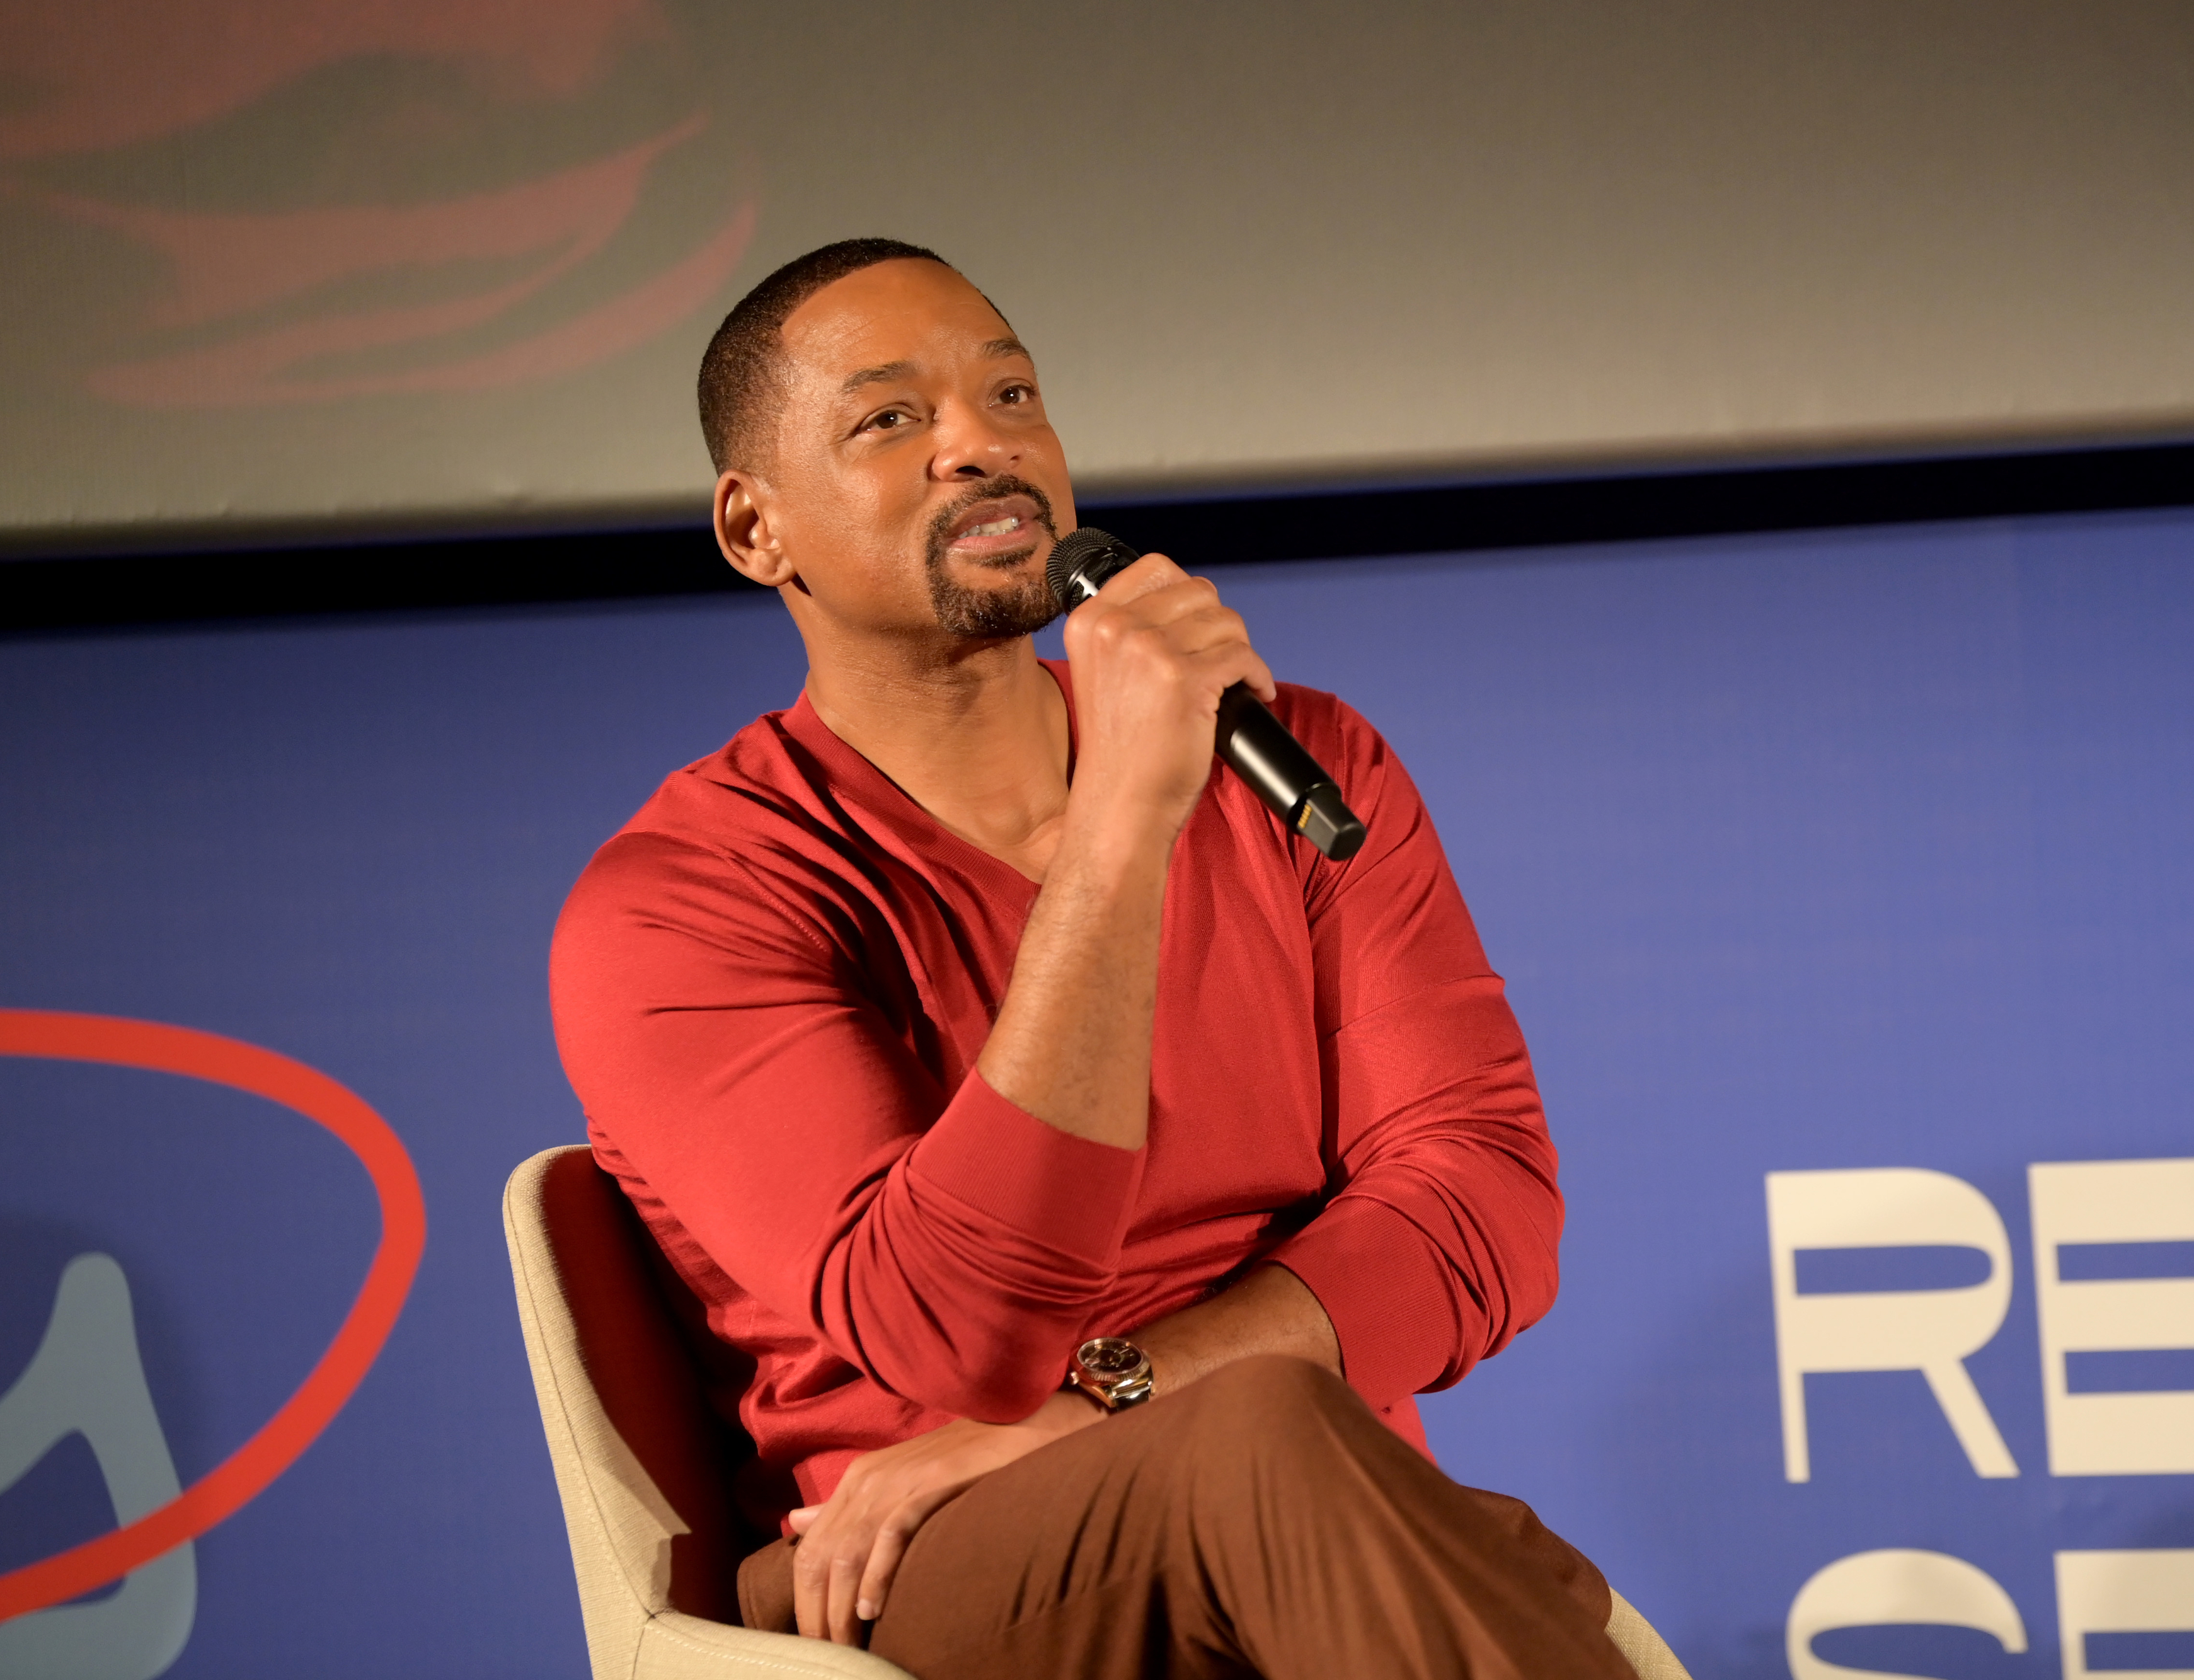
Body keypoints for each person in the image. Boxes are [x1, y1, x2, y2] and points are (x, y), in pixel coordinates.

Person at [548, 237, 1634, 1679]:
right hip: (916, 1574)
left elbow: (1482, 1206)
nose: (977, 449)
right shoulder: (682, 900)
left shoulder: (1301, 763)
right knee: (1334, 1481)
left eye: (1011, 395)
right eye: (890, 419)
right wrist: (1122, 819)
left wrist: (1113, 1398)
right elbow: (965, 1335)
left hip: (1309, 1512)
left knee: (1409, 1515)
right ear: (757, 531)